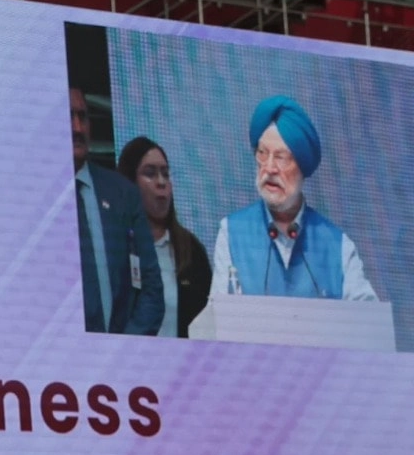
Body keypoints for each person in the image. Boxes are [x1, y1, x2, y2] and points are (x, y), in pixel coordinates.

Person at [212, 96, 377, 300]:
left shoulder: (338, 246)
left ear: (302, 166)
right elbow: (217, 314)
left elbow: (367, 316)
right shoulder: (231, 232)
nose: (269, 168)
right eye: (262, 153)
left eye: (281, 157)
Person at [69, 88, 164, 335]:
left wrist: (124, 347)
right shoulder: (32, 195)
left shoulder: (122, 193)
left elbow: (151, 288)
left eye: (82, 117)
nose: (77, 128)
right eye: (68, 116)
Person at [117, 136, 211, 337]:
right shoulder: (115, 245)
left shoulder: (191, 250)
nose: (161, 182)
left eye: (165, 174)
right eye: (150, 174)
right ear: (129, 182)